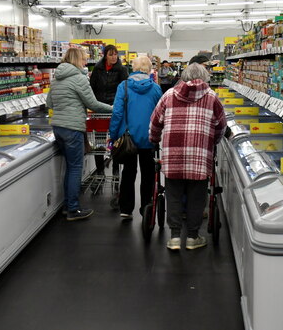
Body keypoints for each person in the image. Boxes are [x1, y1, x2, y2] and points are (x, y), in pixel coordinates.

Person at [149, 63, 227, 250]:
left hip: (172, 154)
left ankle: (175, 237)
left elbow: (155, 122)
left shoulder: (169, 95)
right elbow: (221, 126)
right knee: (197, 196)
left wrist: (154, 139)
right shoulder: (212, 98)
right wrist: (213, 141)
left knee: (173, 194)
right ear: (205, 77)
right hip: (199, 155)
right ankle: (193, 237)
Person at [46, 47, 113, 221]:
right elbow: (93, 104)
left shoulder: (56, 78)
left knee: (70, 167)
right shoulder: (79, 78)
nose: (85, 62)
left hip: (58, 127)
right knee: (75, 168)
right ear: (77, 60)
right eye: (83, 59)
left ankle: (67, 205)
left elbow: (49, 103)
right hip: (73, 127)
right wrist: (114, 108)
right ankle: (73, 209)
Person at [109, 55, 163, 220]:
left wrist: (112, 135)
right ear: (149, 69)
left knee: (128, 173)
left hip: (128, 138)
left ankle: (126, 209)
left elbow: (117, 113)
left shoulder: (123, 86)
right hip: (148, 137)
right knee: (148, 174)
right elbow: (160, 114)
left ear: (133, 68)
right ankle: (146, 207)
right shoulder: (155, 89)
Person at [90, 45, 129, 176]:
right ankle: (100, 170)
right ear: (105, 55)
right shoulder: (97, 69)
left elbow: (125, 90)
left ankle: (116, 168)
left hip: (115, 109)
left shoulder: (122, 70)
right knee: (99, 141)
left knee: (115, 139)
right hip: (99, 109)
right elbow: (92, 87)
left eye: (115, 54)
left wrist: (119, 105)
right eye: (111, 54)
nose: (114, 57)